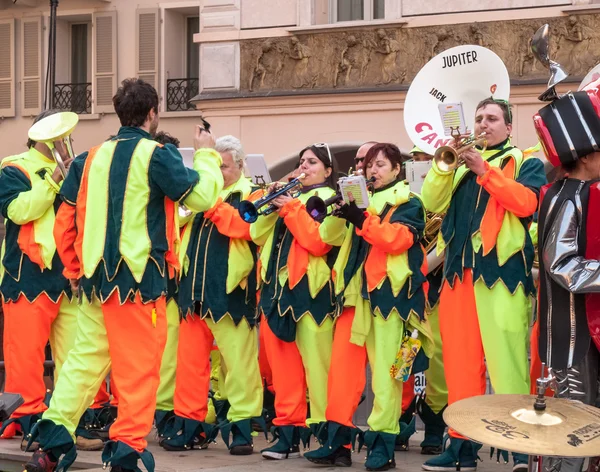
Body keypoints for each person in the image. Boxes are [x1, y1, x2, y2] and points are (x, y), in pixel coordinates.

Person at [23, 78, 224, 472]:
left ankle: (51, 438)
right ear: (152, 114)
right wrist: (206, 156)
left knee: (83, 362)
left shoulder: (87, 159)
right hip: (139, 285)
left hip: (96, 284)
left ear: (119, 112)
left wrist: (75, 269)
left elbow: (66, 222)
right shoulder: (158, 155)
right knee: (138, 369)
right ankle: (128, 451)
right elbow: (201, 198)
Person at [420, 98, 547, 472]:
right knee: (460, 366)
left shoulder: (525, 162)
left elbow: (526, 204)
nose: (482, 124)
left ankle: (521, 446)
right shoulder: (457, 165)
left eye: (491, 119)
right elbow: (430, 201)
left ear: (508, 127)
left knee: (507, 363)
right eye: (478, 118)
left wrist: (485, 172)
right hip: (459, 274)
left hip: (501, 275)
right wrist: (446, 169)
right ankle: (460, 446)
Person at [304, 143, 432, 471]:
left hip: (391, 300)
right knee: (342, 375)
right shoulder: (360, 200)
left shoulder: (409, 201)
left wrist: (361, 218)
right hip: (353, 298)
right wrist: (339, 213)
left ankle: (383, 445)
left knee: (388, 376)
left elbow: (397, 240)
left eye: (379, 165)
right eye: (368, 166)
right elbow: (329, 238)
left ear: (396, 170)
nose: (371, 171)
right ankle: (338, 443)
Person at [159, 135, 264, 455]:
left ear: (241, 166)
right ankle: (191, 425)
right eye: (215, 166)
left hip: (231, 293)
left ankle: (242, 429)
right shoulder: (202, 196)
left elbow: (244, 229)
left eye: (224, 167)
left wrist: (211, 202)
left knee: (239, 366)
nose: (218, 172)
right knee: (189, 366)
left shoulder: (251, 194)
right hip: (193, 293)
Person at [253, 143, 346, 460]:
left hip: (313, 293)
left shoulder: (327, 201)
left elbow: (317, 242)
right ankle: (287, 433)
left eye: (313, 162)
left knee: (319, 370)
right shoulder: (288, 199)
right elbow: (255, 233)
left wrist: (290, 207)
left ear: (328, 171)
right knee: (284, 371)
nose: (304, 167)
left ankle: (325, 434)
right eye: (302, 162)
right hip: (277, 293)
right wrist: (271, 204)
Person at [0, 110, 78, 451]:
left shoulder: (72, 170)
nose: (66, 143)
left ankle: (67, 420)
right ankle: (27, 419)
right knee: (25, 355)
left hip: (68, 275)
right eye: (61, 137)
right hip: (27, 276)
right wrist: (53, 180)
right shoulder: (13, 167)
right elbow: (18, 211)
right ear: (45, 137)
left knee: (75, 353)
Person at [534, 82, 600, 472]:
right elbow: (560, 264)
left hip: (587, 327)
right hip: (569, 333)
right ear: (588, 156)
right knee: (576, 429)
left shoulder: (583, 190)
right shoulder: (567, 195)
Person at [396, 146, 448, 456]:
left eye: (426, 158)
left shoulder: (446, 196)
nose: (420, 164)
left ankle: (434, 424)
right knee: (402, 358)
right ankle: (399, 419)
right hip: (405, 291)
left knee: (437, 361)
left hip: (435, 290)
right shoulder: (404, 198)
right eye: (415, 160)